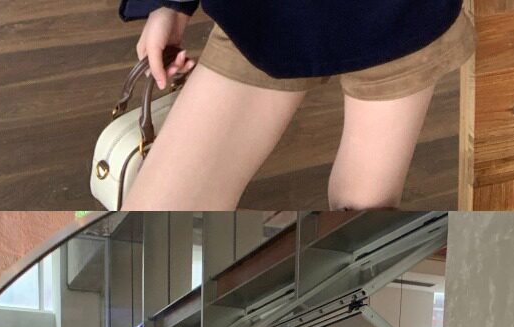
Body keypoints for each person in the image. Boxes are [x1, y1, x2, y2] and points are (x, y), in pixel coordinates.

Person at [117, 2, 477, 210]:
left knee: (361, 214)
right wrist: (169, 4)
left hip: (396, 21)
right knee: (160, 207)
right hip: (260, 19)